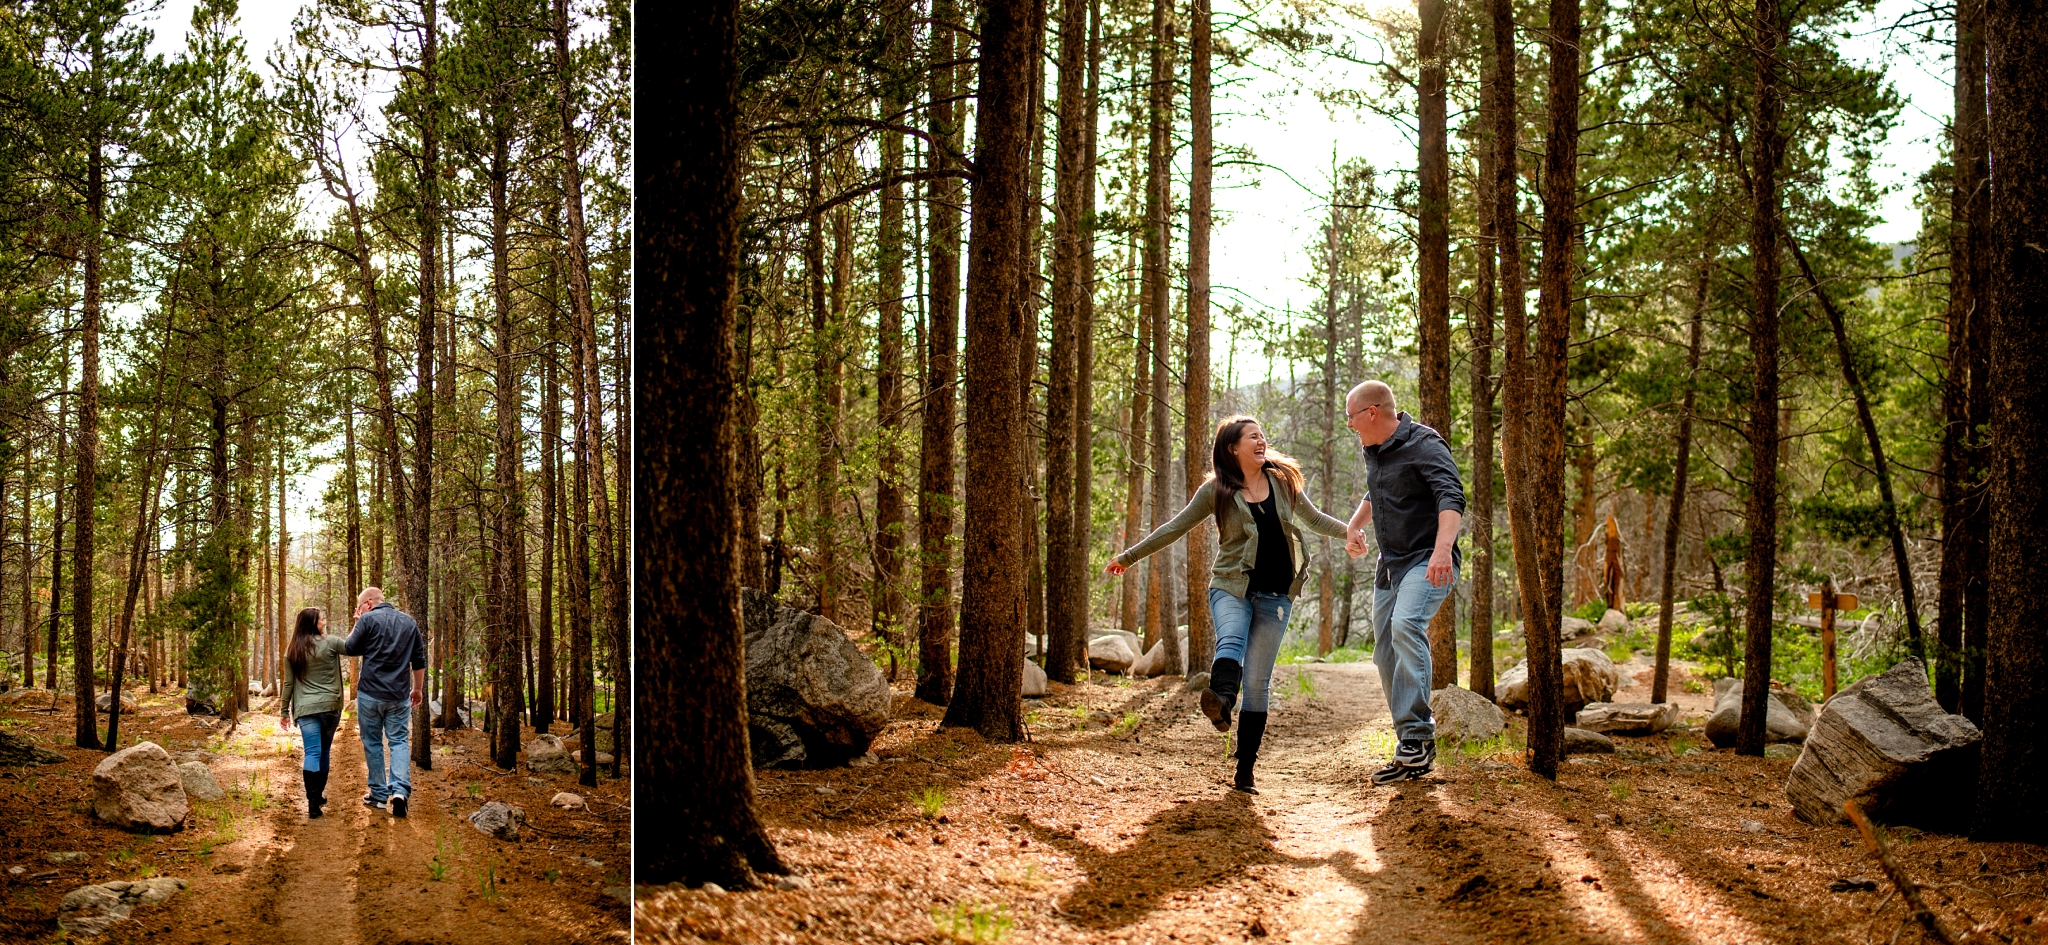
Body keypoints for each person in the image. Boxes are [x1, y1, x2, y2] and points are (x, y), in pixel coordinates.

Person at [1106, 415, 1352, 794]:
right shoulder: (1216, 490)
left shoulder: (1283, 483)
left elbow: (1315, 519)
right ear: (1232, 448)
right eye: (1252, 436)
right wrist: (1129, 556)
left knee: (1258, 682)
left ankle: (1245, 769)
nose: (1261, 441)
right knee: (1231, 638)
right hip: (1231, 586)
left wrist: (1351, 533)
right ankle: (1221, 700)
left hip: (1277, 594)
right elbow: (1175, 527)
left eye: (1263, 436)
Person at [1342, 381, 1466, 785]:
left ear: (1372, 412)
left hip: (1428, 562)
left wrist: (1442, 549)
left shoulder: (1426, 445)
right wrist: (1353, 527)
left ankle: (1417, 738)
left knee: (1406, 625)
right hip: (1389, 565)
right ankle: (1408, 745)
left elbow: (1451, 498)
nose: (1350, 426)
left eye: (1351, 418)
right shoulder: (1374, 449)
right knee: (1383, 654)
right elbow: (1376, 491)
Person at [343, 586, 427, 817]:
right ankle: (399, 792)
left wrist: (359, 622)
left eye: (359, 607)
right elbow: (419, 660)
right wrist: (417, 690)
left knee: (373, 742)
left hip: (370, 694)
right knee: (399, 741)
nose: (357, 611)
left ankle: (379, 795)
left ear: (368, 604)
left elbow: (350, 648)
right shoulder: (409, 622)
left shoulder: (367, 620)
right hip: (399, 695)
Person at [279, 607, 346, 819]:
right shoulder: (332, 643)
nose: (324, 622)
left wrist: (283, 711)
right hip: (329, 707)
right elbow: (354, 647)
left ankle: (312, 802)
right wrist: (361, 621)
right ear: (312, 623)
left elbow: (288, 683)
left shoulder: (292, 651)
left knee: (313, 753)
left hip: (305, 710)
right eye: (321, 619)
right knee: (324, 752)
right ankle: (317, 796)